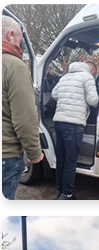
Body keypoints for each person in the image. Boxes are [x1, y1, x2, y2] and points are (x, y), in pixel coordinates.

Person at [2, 14, 42, 199]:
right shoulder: (14, 66)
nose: (19, 46)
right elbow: (25, 118)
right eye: (19, 41)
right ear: (11, 35)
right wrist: (34, 152)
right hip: (6, 154)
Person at [51, 60, 99, 199]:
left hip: (59, 122)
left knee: (61, 159)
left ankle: (59, 191)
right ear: (91, 69)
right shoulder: (87, 76)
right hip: (73, 124)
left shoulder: (65, 76)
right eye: (94, 74)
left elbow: (54, 94)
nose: (94, 76)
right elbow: (93, 101)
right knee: (70, 161)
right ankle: (67, 194)